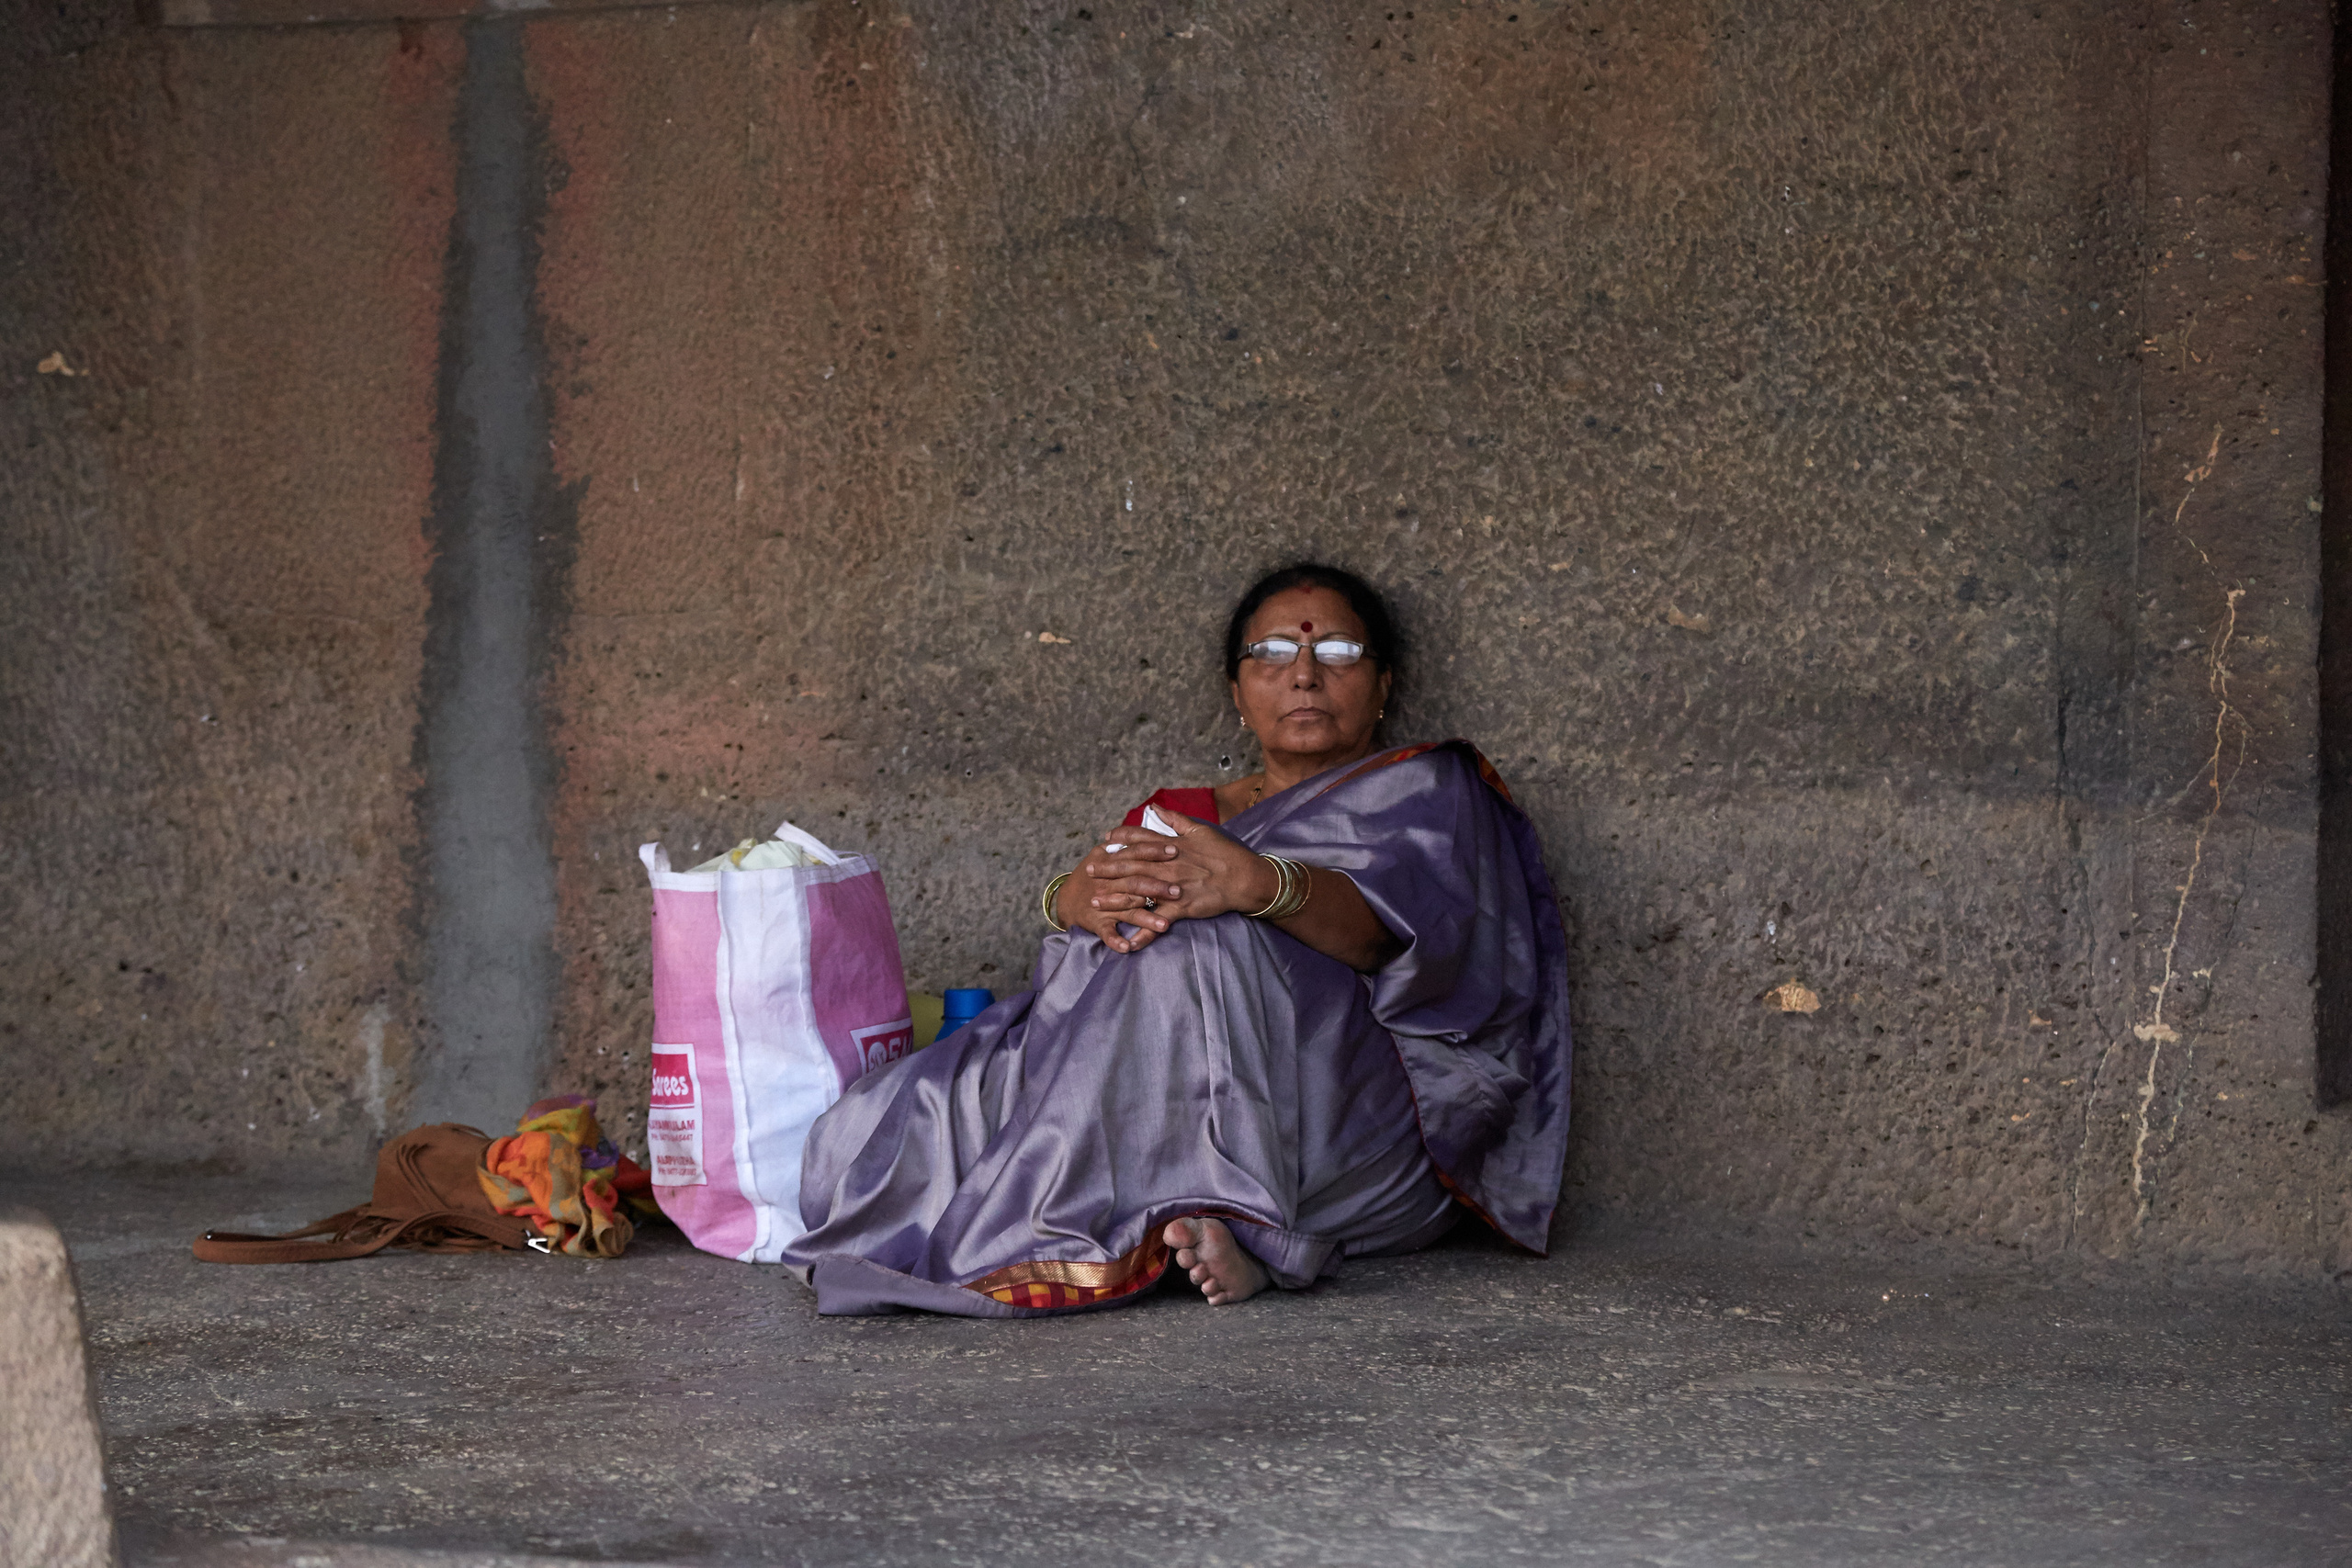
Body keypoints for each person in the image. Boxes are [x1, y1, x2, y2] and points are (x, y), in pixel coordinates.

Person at [780, 563, 1572, 1315]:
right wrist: (1071, 901)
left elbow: (1411, 949)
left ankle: (1245, 1225)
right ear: (1237, 691)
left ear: (1384, 684)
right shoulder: (1180, 813)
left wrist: (1260, 886)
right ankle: (1168, 1206)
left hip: (1351, 1112)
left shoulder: (1431, 791)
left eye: (1337, 651)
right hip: (1149, 1091)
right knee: (875, 1127)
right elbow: (1100, 981)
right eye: (1272, 652)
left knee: (1205, 943)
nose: (1304, 674)